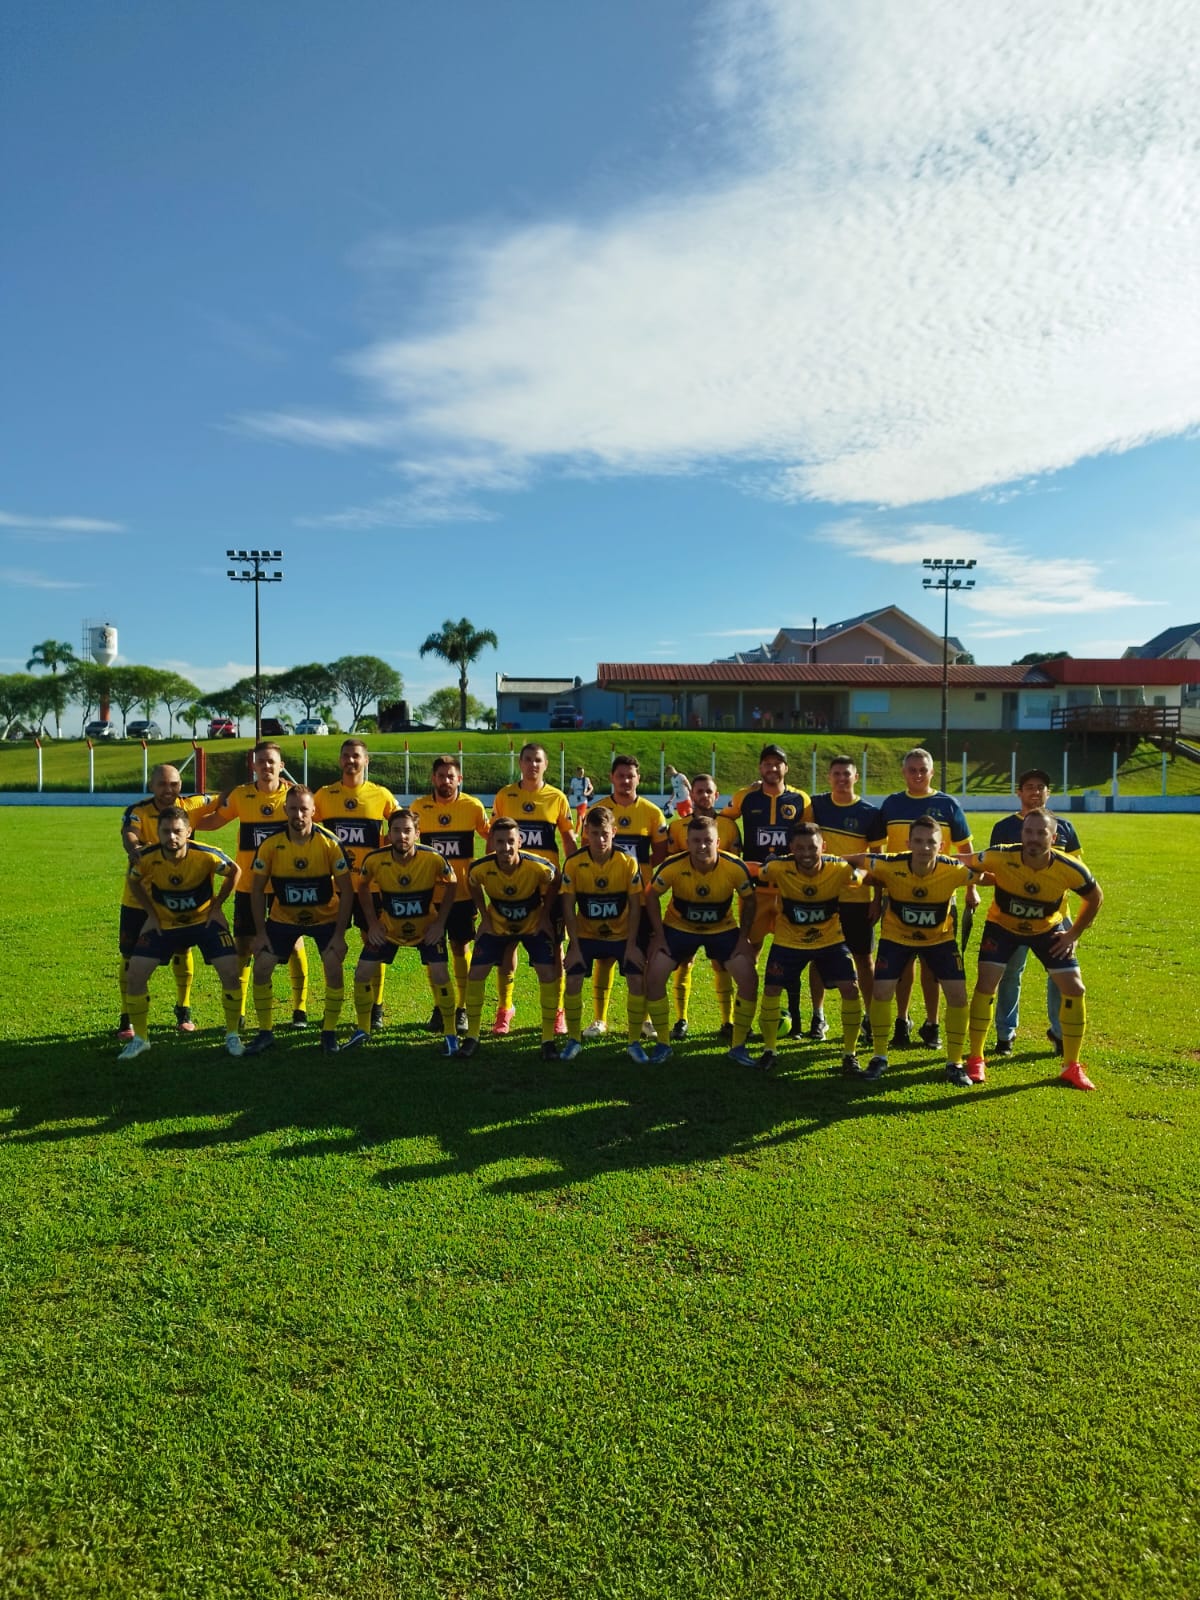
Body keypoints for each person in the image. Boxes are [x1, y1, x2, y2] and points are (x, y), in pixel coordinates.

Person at [964, 808, 1103, 1090]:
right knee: (987, 983)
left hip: (1047, 930)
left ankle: (1071, 1066)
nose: (1034, 838)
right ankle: (976, 1058)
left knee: (1075, 988)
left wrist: (1073, 933)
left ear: (1053, 837)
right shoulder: (1000, 854)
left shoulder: (1070, 867)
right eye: (1029, 832)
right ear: (1022, 834)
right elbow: (964, 863)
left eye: (1041, 833)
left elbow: (1095, 897)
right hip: (1002, 927)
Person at [846, 816, 984, 1087]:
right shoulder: (890, 862)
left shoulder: (953, 868)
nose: (924, 847)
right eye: (918, 841)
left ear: (941, 845)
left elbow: (982, 874)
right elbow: (853, 859)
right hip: (897, 937)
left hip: (940, 939)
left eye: (930, 842)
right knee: (882, 993)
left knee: (957, 996)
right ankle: (879, 1057)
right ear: (908, 843)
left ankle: (955, 1063)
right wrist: (860, 877)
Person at [118, 806, 243, 1060]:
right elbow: (133, 881)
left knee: (231, 972)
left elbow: (235, 871)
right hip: (165, 925)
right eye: (166, 832)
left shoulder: (206, 855)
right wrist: (152, 914)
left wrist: (217, 906)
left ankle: (233, 1035)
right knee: (135, 976)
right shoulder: (146, 858)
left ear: (188, 831)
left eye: (177, 831)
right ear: (159, 833)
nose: (172, 837)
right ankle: (141, 1039)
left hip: (204, 923)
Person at [876, 747, 979, 1051]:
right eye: (912, 769)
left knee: (933, 966)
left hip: (939, 897)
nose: (918, 775)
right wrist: (877, 896)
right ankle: (902, 1021)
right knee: (900, 967)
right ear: (904, 772)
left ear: (932, 772)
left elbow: (965, 850)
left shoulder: (947, 805)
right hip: (897, 896)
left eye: (923, 769)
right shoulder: (892, 804)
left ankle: (932, 1024)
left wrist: (972, 890)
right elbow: (878, 854)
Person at [244, 786, 354, 1056]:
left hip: (325, 918)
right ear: (285, 810)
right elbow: (257, 891)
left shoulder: (329, 843)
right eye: (293, 808)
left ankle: (328, 1032)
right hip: (284, 918)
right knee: (262, 967)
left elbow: (347, 891)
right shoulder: (271, 845)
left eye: (304, 808)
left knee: (333, 966)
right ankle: (265, 1032)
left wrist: (340, 935)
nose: (298, 814)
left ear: (313, 811)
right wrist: (260, 933)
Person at [642, 815, 759, 1067]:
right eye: (696, 841)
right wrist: (658, 935)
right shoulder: (673, 865)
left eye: (708, 840)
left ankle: (738, 1047)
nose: (702, 846)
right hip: (678, 928)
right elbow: (650, 895)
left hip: (722, 929)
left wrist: (743, 937)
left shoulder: (734, 867)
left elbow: (750, 900)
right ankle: (663, 1044)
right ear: (687, 842)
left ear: (718, 841)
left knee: (749, 977)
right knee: (654, 975)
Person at [342, 808, 460, 1056]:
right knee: (362, 972)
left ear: (417, 834)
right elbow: (362, 887)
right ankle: (363, 1028)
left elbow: (453, 884)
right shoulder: (375, 859)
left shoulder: (434, 858)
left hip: (426, 929)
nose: (402, 836)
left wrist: (440, 924)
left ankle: (450, 1034)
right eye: (396, 830)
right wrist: (373, 923)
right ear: (389, 835)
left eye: (407, 831)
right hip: (389, 930)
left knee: (440, 974)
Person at [116, 762, 221, 1038]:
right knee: (129, 957)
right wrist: (135, 848)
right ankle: (127, 1016)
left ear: (180, 786)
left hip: (178, 897)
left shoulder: (192, 805)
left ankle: (183, 1009)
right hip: (139, 899)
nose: (168, 789)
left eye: (173, 784)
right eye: (162, 784)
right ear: (152, 786)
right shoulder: (138, 811)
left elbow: (226, 797)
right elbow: (129, 833)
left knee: (182, 949)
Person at [987, 769, 1084, 1057]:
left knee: (1060, 976)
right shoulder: (1004, 826)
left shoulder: (1064, 827)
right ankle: (1005, 1034)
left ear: (1048, 793)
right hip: (1011, 916)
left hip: (1055, 917)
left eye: (1041, 787)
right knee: (1009, 973)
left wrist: (1071, 927)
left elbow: (1078, 875)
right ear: (1019, 792)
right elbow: (992, 869)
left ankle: (1058, 1032)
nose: (1035, 791)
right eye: (1029, 787)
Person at [756, 822, 865, 1075]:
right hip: (788, 940)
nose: (807, 853)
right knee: (771, 988)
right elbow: (758, 872)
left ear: (823, 847)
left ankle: (850, 1054)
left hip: (829, 940)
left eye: (813, 847)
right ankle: (769, 1050)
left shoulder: (838, 868)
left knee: (851, 988)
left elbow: (861, 876)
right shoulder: (779, 868)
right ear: (791, 847)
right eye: (801, 847)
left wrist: (860, 875)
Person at [213, 742, 307, 1029]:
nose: (266, 766)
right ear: (253, 766)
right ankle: (239, 1012)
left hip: (284, 884)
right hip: (248, 886)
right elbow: (215, 820)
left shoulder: (293, 797)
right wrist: (185, 824)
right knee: (243, 948)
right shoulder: (242, 795)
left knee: (293, 945)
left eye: (271, 762)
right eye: (261, 762)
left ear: (281, 765)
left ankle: (300, 1009)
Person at [720, 743, 810, 1038]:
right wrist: (732, 848)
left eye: (778, 764)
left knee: (792, 957)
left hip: (788, 892)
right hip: (755, 892)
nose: (772, 768)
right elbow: (722, 820)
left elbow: (812, 838)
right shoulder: (746, 796)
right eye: (767, 764)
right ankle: (742, 1020)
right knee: (749, 954)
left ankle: (794, 1020)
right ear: (760, 768)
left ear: (786, 768)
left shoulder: (800, 800)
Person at [313, 738, 399, 1032]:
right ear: (340, 761)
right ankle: (332, 1005)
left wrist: (389, 845)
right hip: (333, 886)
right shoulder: (324, 795)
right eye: (346, 756)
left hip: (369, 886)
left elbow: (404, 825)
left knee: (373, 942)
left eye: (356, 756)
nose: (351, 761)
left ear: (367, 761)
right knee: (330, 945)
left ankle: (376, 1005)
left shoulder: (381, 795)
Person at [490, 742, 575, 1035]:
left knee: (554, 951)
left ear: (546, 764)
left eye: (537, 760)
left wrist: (574, 870)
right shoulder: (505, 795)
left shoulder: (557, 798)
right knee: (506, 948)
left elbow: (568, 839)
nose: (532, 765)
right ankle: (505, 1008)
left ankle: (557, 1012)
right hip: (511, 885)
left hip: (548, 887)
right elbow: (493, 841)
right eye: (527, 760)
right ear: (520, 763)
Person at [459, 816, 561, 1060]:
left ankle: (548, 1040)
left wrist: (545, 916)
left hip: (532, 926)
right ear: (492, 842)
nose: (506, 848)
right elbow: (472, 883)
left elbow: (556, 880)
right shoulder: (481, 868)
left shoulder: (538, 866)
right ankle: (472, 1037)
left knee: (547, 973)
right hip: (497, 926)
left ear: (520, 841)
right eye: (500, 841)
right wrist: (484, 916)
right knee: (476, 974)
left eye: (511, 841)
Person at [804, 756, 883, 1046]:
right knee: (817, 954)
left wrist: (877, 898)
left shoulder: (869, 813)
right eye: (836, 773)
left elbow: (877, 861)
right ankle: (818, 1015)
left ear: (856, 776)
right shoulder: (817, 806)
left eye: (846, 774)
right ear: (828, 777)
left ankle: (871, 1018)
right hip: (823, 896)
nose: (841, 778)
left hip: (858, 898)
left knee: (864, 958)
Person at [410, 756, 491, 1035]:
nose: (445, 781)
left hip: (463, 894)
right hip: (428, 894)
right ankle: (438, 1005)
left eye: (450, 776)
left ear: (460, 779)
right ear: (433, 779)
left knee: (461, 948)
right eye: (440, 776)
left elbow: (490, 836)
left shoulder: (473, 807)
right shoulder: (419, 807)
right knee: (432, 951)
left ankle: (462, 1008)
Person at [559, 806, 647, 1061]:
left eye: (605, 833)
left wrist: (632, 945)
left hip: (621, 936)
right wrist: (574, 946)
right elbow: (568, 906)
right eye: (594, 833)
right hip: (586, 936)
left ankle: (633, 1042)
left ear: (614, 832)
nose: (599, 839)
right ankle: (574, 1039)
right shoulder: (574, 863)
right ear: (585, 832)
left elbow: (634, 907)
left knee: (635, 978)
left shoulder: (627, 862)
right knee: (573, 979)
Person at [591, 755, 668, 1039]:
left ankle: (645, 1019)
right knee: (604, 959)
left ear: (638, 779)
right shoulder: (598, 810)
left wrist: (642, 873)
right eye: (620, 775)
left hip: (642, 898)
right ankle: (600, 1019)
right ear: (612, 777)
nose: (625, 780)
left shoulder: (651, 812)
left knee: (642, 958)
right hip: (605, 896)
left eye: (630, 776)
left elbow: (660, 852)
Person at [664, 773, 741, 1039]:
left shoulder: (730, 827)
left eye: (709, 791)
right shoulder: (677, 828)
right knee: (683, 963)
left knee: (722, 964)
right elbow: (671, 866)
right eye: (698, 791)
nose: (703, 796)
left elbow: (736, 868)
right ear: (690, 793)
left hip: (721, 911)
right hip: (683, 910)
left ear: (716, 795)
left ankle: (728, 1021)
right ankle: (681, 1020)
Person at [567, 764, 594, 831]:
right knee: (581, 817)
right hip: (577, 801)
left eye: (583, 772)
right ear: (577, 772)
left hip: (583, 801)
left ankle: (576, 833)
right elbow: (571, 789)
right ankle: (586, 828)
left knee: (579, 816)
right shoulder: (574, 780)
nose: (582, 774)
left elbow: (591, 788)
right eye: (580, 772)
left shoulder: (586, 780)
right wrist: (567, 796)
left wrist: (587, 793)